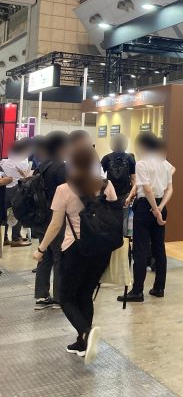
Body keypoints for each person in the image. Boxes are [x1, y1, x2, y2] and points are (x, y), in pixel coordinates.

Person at [32, 144, 118, 363]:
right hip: (101, 250)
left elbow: (55, 225)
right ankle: (82, 343)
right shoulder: (107, 185)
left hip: (75, 250)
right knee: (85, 294)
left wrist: (41, 249)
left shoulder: (64, 190)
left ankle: (86, 333)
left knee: (65, 297)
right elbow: (116, 215)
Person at [118, 132, 173, 302]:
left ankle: (137, 291)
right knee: (159, 248)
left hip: (145, 206)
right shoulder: (165, 164)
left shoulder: (141, 164)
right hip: (161, 204)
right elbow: (169, 189)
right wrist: (160, 208)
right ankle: (159, 288)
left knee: (140, 249)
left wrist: (154, 209)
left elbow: (147, 189)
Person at [33, 131, 68, 310]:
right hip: (57, 217)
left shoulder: (42, 166)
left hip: (42, 216)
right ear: (61, 147)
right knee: (59, 256)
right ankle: (60, 297)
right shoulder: (61, 167)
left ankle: (41, 295)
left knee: (45, 254)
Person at [2, 139, 33, 246]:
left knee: (4, 214)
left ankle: (4, 237)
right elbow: (27, 175)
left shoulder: (3, 161)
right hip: (17, 189)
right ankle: (16, 238)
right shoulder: (23, 161)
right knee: (18, 213)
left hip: (5, 190)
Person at [101, 134, 136, 208]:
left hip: (110, 192)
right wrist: (133, 193)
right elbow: (133, 178)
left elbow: (99, 176)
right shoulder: (130, 158)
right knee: (124, 213)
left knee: (110, 212)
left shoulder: (106, 158)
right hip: (125, 192)